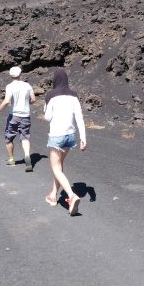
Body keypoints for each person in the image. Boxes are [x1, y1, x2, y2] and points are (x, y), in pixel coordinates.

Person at [44, 67, 86, 216]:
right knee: (60, 166)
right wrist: (83, 138)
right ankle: (53, 195)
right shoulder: (73, 95)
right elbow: (79, 117)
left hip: (56, 135)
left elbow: (47, 117)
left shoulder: (51, 95)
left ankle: (71, 195)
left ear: (55, 80)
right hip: (70, 136)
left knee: (55, 167)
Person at [0, 66, 35, 172]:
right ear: (20, 74)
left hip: (14, 115)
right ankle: (27, 156)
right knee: (25, 137)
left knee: (9, 137)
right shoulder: (27, 85)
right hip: (25, 115)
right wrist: (27, 103)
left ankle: (11, 159)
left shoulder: (10, 86)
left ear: (11, 75)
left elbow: (7, 101)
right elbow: (33, 99)